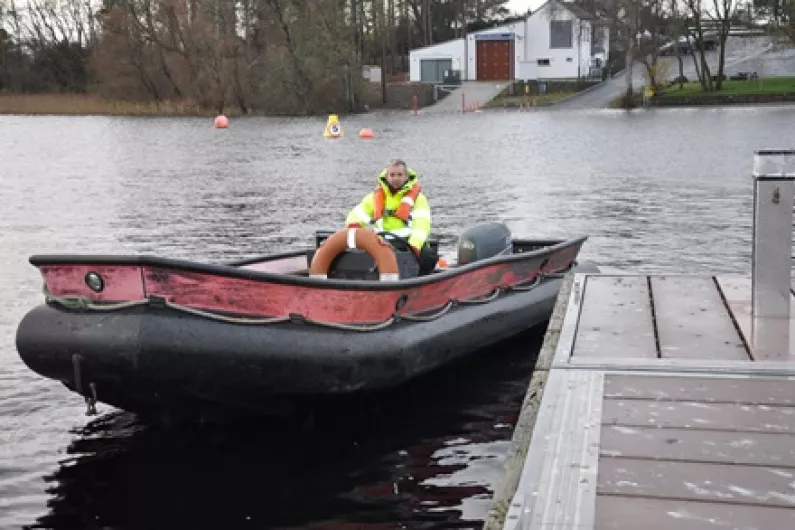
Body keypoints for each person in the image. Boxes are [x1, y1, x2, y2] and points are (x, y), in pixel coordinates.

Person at [346, 159, 438, 275]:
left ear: (406, 177)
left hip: (407, 244)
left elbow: (422, 225)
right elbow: (358, 214)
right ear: (387, 176)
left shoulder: (419, 199)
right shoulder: (375, 197)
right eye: (392, 175)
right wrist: (354, 228)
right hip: (381, 243)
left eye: (399, 175)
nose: (396, 178)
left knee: (427, 257)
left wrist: (414, 245)